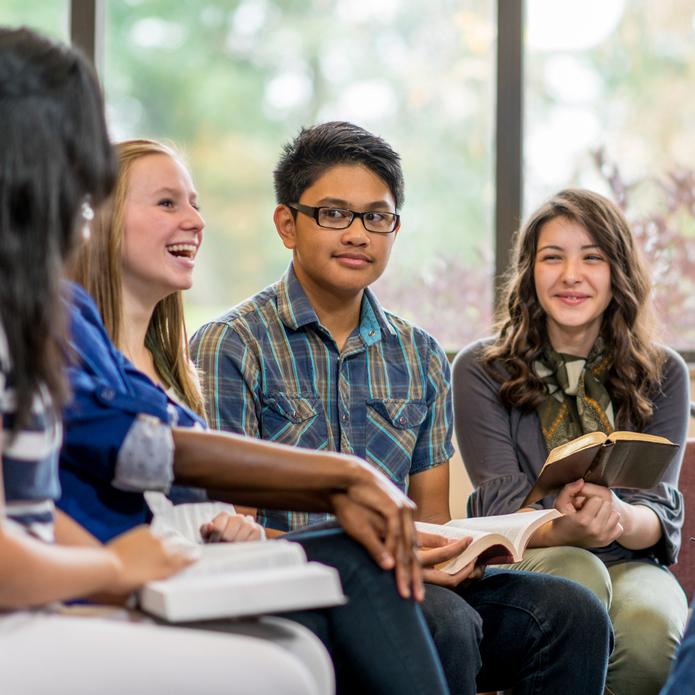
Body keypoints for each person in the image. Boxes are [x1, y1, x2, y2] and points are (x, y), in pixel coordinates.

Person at [190, 121, 614, 694]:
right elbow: (230, 529)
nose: (358, 234)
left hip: (408, 578)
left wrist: (454, 552)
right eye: (334, 214)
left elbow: (428, 517)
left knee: (572, 611)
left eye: (377, 217)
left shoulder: (419, 354)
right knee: (446, 625)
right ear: (287, 224)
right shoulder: (232, 344)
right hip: (293, 585)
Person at [64, 137, 453, 695]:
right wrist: (342, 480)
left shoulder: (171, 361)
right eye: (168, 203)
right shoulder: (74, 331)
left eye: (194, 203)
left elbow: (187, 491)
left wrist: (231, 526)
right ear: (97, 217)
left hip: (193, 566)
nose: (197, 220)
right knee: (356, 568)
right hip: (141, 579)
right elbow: (144, 450)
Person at [0, 26, 324, 695]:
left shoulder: (25, 315)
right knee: (280, 675)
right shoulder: (61, 321)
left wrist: (117, 576)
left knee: (298, 652)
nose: (89, 178)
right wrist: (111, 574)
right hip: (19, 613)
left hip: (43, 594)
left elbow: (27, 508)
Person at [453, 188, 689, 695]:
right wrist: (566, 527)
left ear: (617, 273)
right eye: (552, 258)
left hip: (629, 557)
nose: (571, 276)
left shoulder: (664, 371)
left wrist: (617, 517)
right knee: (576, 577)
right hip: (531, 554)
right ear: (528, 271)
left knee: (652, 632)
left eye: (592, 258)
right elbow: (497, 503)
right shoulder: (479, 369)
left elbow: (660, 509)